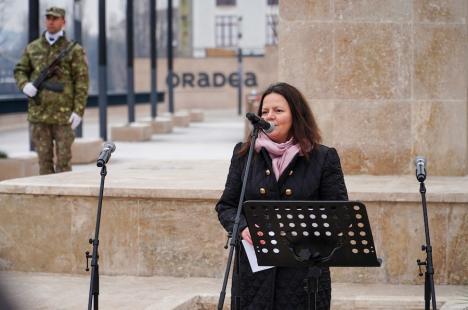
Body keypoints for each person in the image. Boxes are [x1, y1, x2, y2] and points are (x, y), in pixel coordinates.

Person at [215, 82, 348, 309]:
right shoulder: (243, 154)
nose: (270, 116)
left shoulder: (322, 157)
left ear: (296, 115)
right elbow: (227, 206)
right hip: (254, 277)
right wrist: (243, 227)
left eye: (278, 111)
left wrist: (300, 229)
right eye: (265, 112)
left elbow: (339, 214)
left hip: (304, 277)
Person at [14, 6, 89, 175]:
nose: (51, 21)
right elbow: (20, 70)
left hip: (64, 117)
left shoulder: (73, 50)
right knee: (44, 164)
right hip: (39, 115)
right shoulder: (33, 48)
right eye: (48, 18)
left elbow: (82, 82)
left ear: (63, 21)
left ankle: (63, 199)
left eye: (55, 18)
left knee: (64, 163)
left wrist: (78, 111)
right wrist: (25, 84)